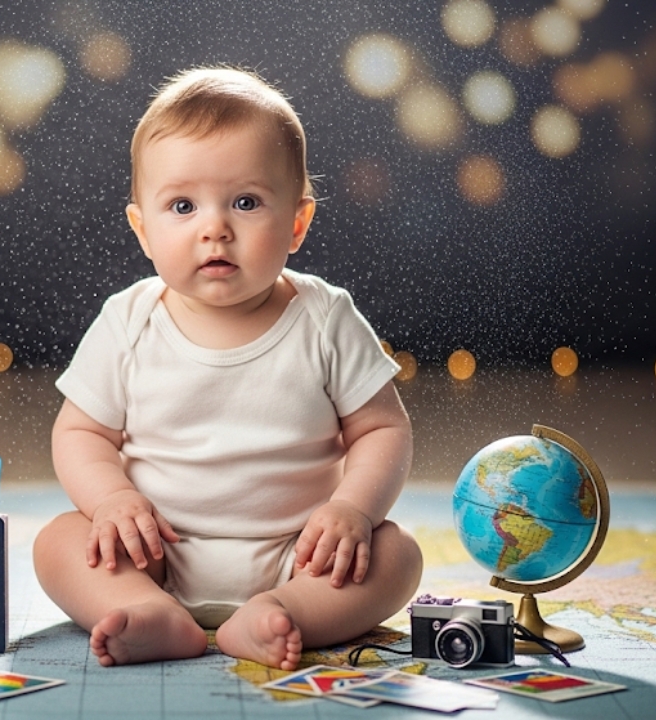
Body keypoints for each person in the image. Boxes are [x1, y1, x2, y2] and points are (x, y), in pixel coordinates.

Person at [33, 67, 422, 671]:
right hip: (156, 551)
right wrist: (110, 500)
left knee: (397, 555)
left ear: (297, 222)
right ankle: (147, 610)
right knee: (59, 541)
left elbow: (382, 430)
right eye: (182, 206)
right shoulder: (129, 320)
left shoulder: (324, 317)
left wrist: (353, 510)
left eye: (245, 202)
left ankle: (282, 612)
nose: (215, 227)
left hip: (301, 553)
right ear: (143, 230)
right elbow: (81, 432)